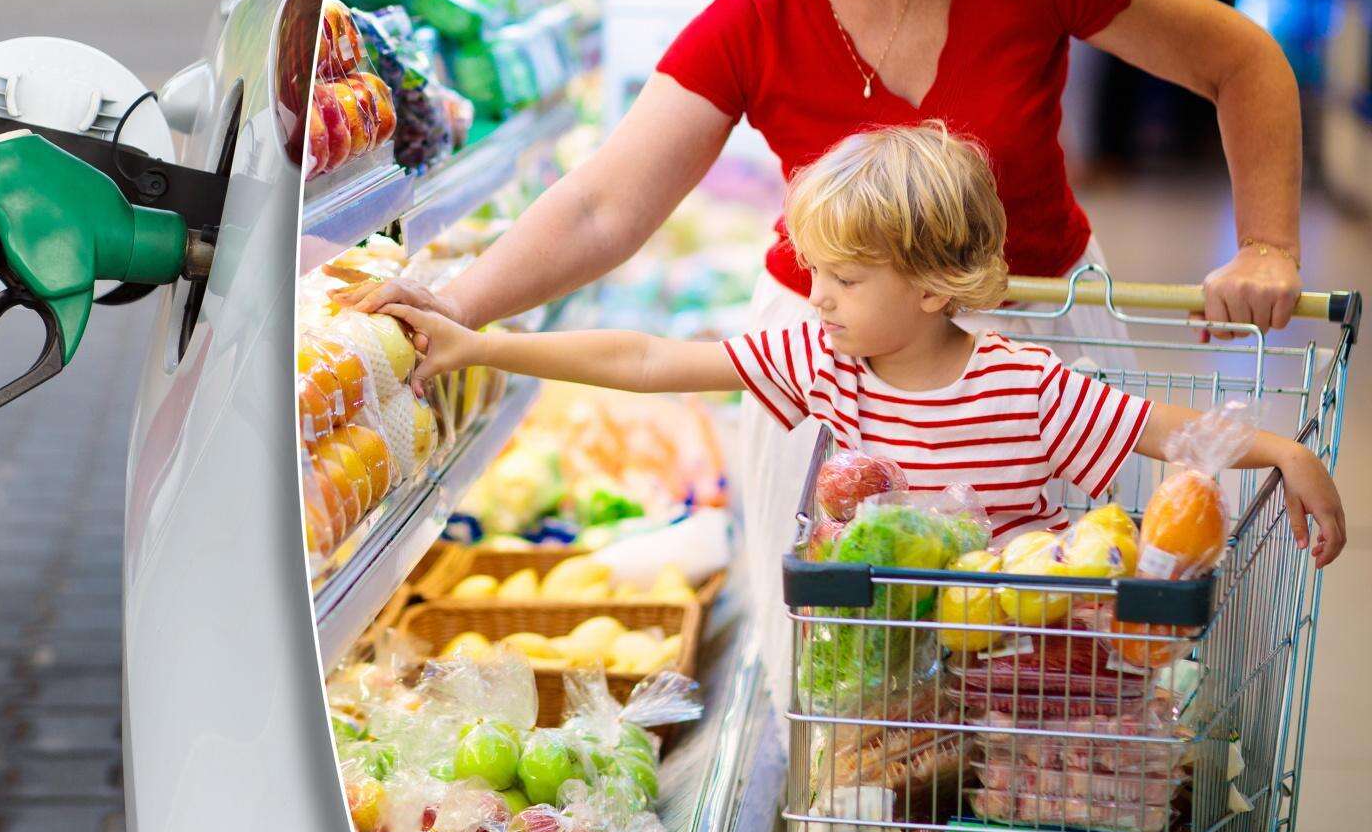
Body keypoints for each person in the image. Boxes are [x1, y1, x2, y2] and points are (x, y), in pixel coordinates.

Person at [338, 0, 1311, 686]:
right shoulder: (756, 13)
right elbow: (604, 205)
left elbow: (1244, 62)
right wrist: (455, 306)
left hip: (1036, 356)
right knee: (856, 689)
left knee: (1067, 666)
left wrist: (1269, 243)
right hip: (840, 367)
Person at [381, 126, 1345, 566]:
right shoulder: (819, 358)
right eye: (815, 273)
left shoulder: (1026, 386)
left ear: (932, 287)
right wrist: (481, 345)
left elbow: (1162, 431)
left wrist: (1285, 451)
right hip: (872, 685)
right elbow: (645, 360)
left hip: (1016, 679)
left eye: (844, 280)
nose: (816, 296)